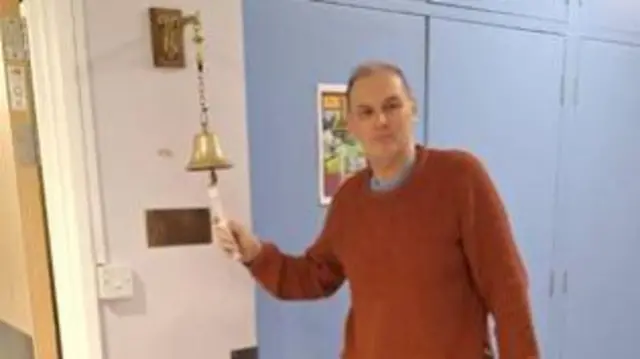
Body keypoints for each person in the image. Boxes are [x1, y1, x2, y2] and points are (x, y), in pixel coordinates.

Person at [214, 61, 539, 359]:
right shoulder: (350, 200)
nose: (381, 121)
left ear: (413, 109)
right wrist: (255, 253)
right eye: (366, 112)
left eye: (392, 106)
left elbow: (507, 290)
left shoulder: (460, 178)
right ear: (351, 125)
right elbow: (315, 276)